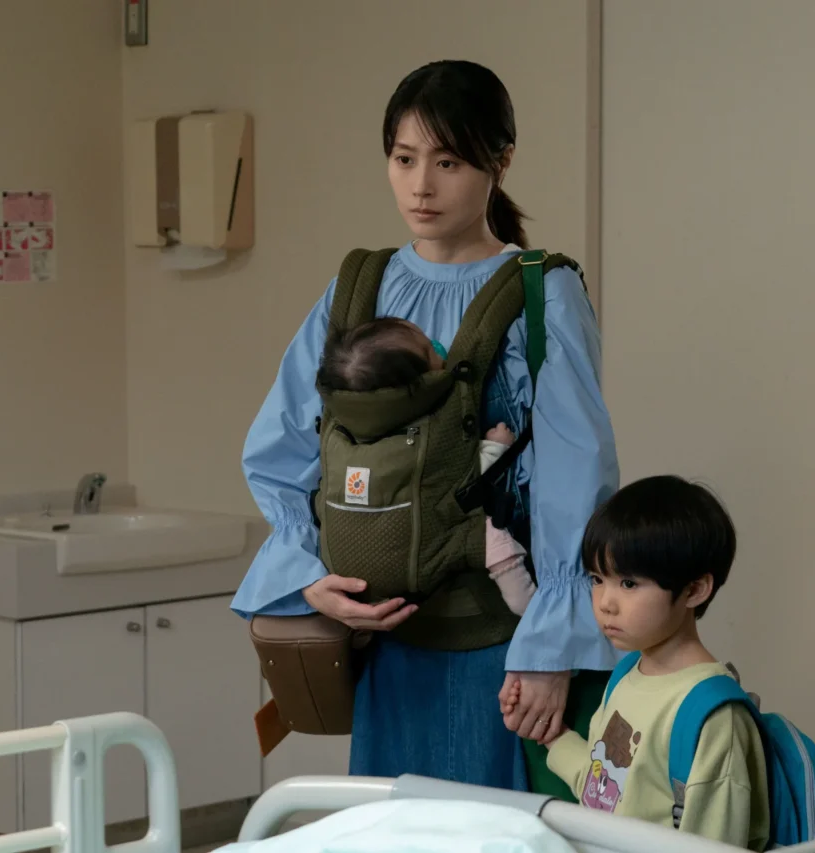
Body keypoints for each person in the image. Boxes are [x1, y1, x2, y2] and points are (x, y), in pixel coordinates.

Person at [231, 58, 620, 793]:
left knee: (490, 830)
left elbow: (576, 477)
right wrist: (307, 577)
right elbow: (280, 447)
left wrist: (550, 648)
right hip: (384, 642)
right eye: (404, 159)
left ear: (501, 162)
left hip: (499, 643)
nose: (421, 186)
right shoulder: (359, 286)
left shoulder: (543, 294)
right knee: (392, 826)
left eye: (448, 162)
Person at [516, 475, 771, 850]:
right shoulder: (626, 674)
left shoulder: (713, 717)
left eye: (629, 584)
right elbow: (603, 788)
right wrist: (553, 737)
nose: (605, 603)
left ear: (694, 590)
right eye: (597, 579)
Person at [316, 315, 536, 615]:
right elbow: (462, 479)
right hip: (416, 565)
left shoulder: (338, 430)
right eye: (429, 350)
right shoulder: (430, 431)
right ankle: (528, 606)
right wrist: (496, 446)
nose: (438, 347)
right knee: (491, 535)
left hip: (342, 570)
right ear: (415, 386)